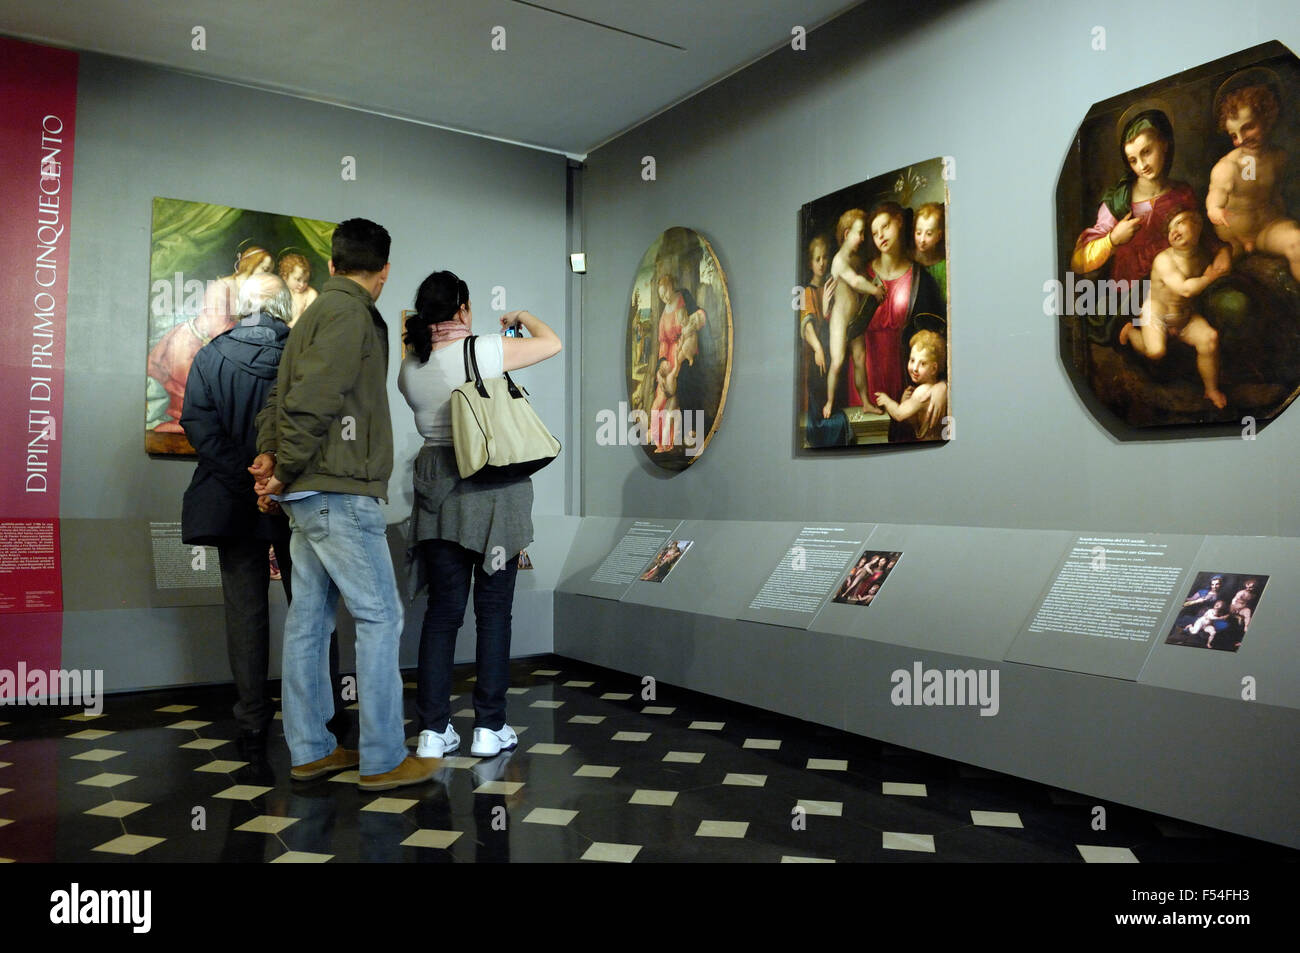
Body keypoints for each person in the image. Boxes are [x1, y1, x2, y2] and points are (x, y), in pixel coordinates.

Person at [252, 218, 433, 791]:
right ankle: (382, 758)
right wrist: (279, 467)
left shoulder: (311, 314)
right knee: (383, 616)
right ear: (383, 272)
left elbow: (280, 395)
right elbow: (310, 399)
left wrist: (269, 457)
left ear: (330, 265)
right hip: (336, 491)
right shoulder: (352, 313)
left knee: (309, 619)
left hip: (310, 493)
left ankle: (311, 750)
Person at [397, 270, 561, 759]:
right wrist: (518, 317)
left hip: (438, 496)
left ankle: (432, 730)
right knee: (493, 613)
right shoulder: (483, 351)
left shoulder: (410, 366)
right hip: (493, 491)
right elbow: (550, 343)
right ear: (463, 309)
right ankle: (489, 727)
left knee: (442, 614)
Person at [1071, 110, 1230, 344]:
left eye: (1146, 152)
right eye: (1133, 160)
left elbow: (1203, 236)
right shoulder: (1119, 201)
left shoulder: (1182, 194)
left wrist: (1223, 251)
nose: (1142, 165)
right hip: (1130, 293)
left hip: (1180, 287)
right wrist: (1112, 239)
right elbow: (1079, 261)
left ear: (1164, 144)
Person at [149, 245, 273, 434]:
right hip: (190, 347)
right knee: (198, 407)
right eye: (264, 270)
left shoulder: (253, 295)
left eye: (270, 272)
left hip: (220, 351)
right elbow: (218, 329)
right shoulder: (220, 287)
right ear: (251, 265)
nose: (267, 277)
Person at [1121, 209, 1229, 407]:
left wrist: (1224, 255)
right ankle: (1131, 333)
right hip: (1157, 314)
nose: (1174, 230)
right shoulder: (1164, 259)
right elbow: (1185, 290)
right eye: (1171, 228)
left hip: (1185, 317)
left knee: (1210, 338)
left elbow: (1226, 261)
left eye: (1180, 223)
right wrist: (1209, 277)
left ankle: (1211, 390)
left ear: (1197, 228)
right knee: (1155, 352)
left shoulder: (1203, 257)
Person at [856, 202, 944, 439]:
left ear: (899, 222)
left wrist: (941, 385)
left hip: (905, 380)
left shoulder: (921, 279)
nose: (880, 235)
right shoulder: (861, 277)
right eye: (874, 233)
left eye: (885, 226)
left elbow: (939, 336)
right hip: (866, 377)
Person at [1207, 84, 1300, 282]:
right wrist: (1214, 209)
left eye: (1247, 127)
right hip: (1234, 240)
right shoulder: (1228, 167)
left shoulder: (1279, 157)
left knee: (1297, 243)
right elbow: (1216, 195)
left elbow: (1278, 191)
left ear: (1266, 118)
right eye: (1233, 135)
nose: (1240, 140)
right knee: (1213, 272)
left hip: (1268, 230)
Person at [821, 209, 885, 420]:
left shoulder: (856, 259)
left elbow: (863, 280)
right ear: (847, 233)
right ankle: (829, 401)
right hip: (840, 321)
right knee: (837, 362)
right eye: (860, 233)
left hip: (856, 320)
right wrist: (874, 290)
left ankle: (865, 402)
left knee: (859, 359)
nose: (863, 238)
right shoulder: (839, 261)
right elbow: (856, 282)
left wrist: (875, 284)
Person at [875, 329, 948, 440]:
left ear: (934, 368)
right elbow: (913, 419)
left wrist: (886, 400)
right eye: (912, 360)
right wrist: (905, 401)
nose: (915, 368)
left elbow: (899, 414)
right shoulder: (932, 388)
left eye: (922, 363)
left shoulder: (922, 392)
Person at [913, 202, 947, 301]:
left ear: (939, 236)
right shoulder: (907, 258)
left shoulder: (943, 267)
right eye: (918, 233)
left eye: (929, 234)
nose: (922, 239)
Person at [277, 252, 318, 327]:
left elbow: (308, 320)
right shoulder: (279, 292)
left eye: (305, 281)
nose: (302, 285)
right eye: (298, 279)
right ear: (285, 277)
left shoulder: (310, 294)